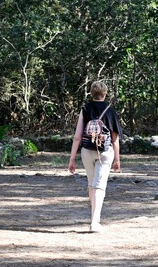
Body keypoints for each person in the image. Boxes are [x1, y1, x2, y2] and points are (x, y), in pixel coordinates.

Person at [68, 81, 122, 232]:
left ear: (92, 93)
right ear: (105, 94)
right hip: (105, 152)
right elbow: (115, 138)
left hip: (87, 151)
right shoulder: (110, 110)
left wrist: (72, 158)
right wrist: (117, 159)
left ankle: (94, 219)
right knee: (99, 186)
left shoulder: (85, 108)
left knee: (92, 185)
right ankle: (94, 222)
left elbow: (77, 136)